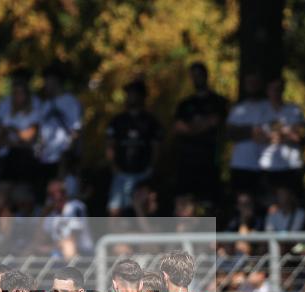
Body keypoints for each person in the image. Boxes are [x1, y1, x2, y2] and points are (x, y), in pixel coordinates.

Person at [172, 62, 229, 204]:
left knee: (208, 203)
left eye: (199, 75)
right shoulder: (185, 104)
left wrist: (191, 127)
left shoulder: (218, 101)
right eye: (193, 75)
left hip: (210, 160)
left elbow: (217, 123)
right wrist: (205, 124)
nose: (197, 78)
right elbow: (178, 127)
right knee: (185, 201)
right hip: (187, 161)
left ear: (206, 75)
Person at [105, 80, 162, 216]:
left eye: (133, 93)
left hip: (143, 174)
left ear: (141, 96)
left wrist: (150, 168)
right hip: (121, 174)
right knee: (114, 210)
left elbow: (156, 148)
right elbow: (110, 146)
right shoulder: (117, 121)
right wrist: (114, 167)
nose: (129, 97)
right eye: (128, 94)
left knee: (142, 210)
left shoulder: (151, 122)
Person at [0, 71, 41, 209]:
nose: (17, 97)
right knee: (2, 199)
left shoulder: (34, 113)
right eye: (15, 93)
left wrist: (13, 130)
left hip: (26, 159)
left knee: (23, 198)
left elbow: (29, 138)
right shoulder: (7, 115)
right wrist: (17, 138)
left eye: (21, 93)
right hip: (8, 159)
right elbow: (0, 138)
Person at [37, 63, 82, 191]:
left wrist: (69, 153)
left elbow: (76, 130)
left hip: (64, 158)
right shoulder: (45, 104)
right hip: (46, 158)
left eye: (47, 80)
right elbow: (42, 131)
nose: (45, 84)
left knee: (63, 193)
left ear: (55, 81)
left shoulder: (71, 102)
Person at [259, 76, 305, 197]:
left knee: (293, 201)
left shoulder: (294, 109)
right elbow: (256, 136)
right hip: (267, 165)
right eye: (272, 89)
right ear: (267, 90)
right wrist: (288, 131)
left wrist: (278, 135)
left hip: (292, 165)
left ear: (283, 90)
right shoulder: (260, 110)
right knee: (270, 202)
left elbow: (300, 135)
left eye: (279, 89)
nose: (276, 92)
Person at [226, 72, 269, 196]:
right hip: (240, 164)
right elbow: (230, 134)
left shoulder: (269, 107)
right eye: (249, 83)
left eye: (255, 82)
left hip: (263, 165)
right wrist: (253, 130)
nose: (252, 86)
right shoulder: (238, 109)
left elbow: (270, 133)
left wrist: (242, 131)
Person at [38, 178, 93, 260]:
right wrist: (43, 214)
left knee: (68, 246)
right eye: (51, 195)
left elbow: (73, 238)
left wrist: (51, 247)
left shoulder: (75, 207)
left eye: (61, 193)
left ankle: (73, 268)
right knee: (32, 249)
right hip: (57, 253)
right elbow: (40, 237)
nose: (57, 197)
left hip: (81, 251)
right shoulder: (51, 215)